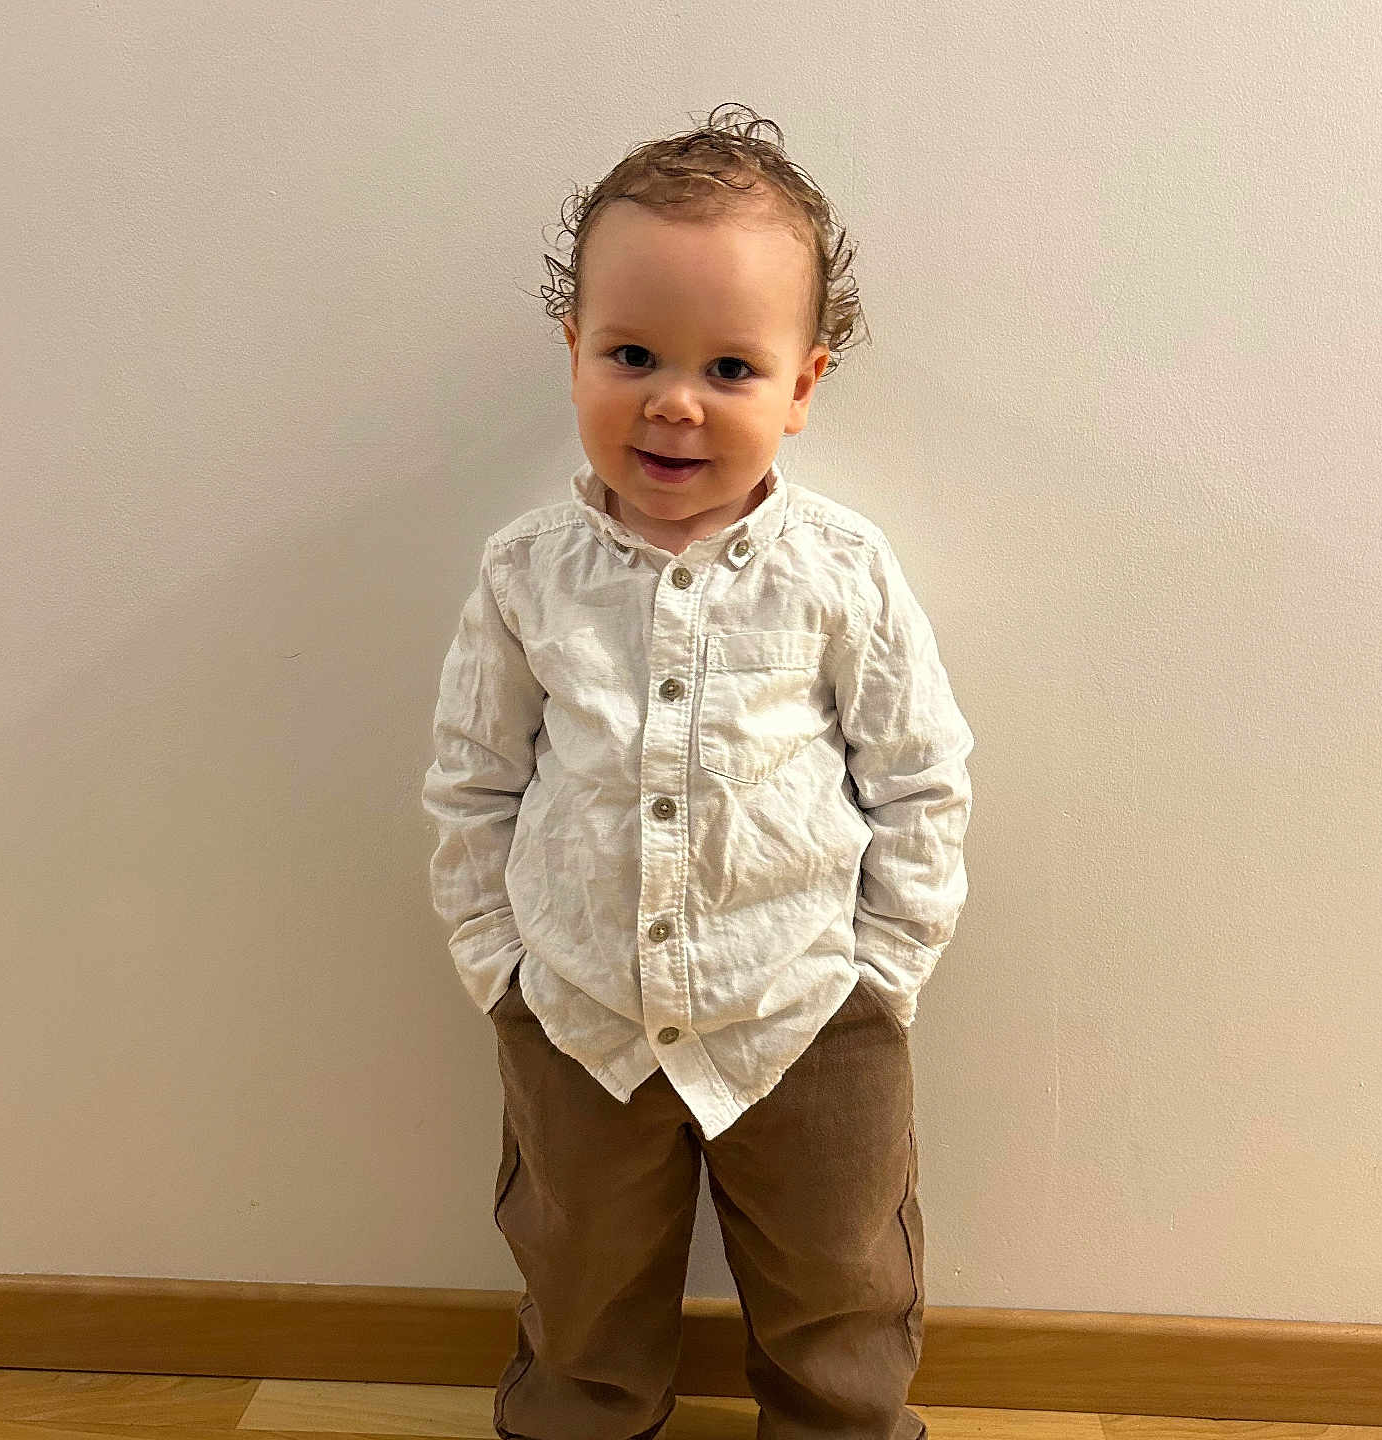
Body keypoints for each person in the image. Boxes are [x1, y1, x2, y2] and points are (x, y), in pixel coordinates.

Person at [421, 101, 974, 1440]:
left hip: (807, 1008)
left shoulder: (841, 572)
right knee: (580, 1276)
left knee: (842, 1278)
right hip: (578, 1012)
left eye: (732, 367)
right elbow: (473, 781)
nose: (675, 400)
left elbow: (920, 775)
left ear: (802, 384)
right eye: (633, 353)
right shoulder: (524, 574)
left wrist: (884, 964)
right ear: (574, 355)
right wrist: (499, 961)